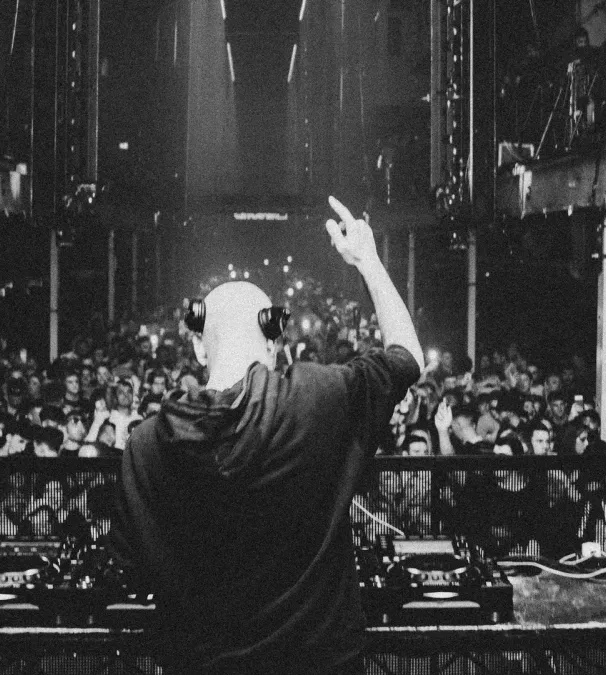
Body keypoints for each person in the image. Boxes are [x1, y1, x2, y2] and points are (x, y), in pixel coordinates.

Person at [112, 196, 422, 675]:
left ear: (198, 346)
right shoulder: (320, 398)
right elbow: (407, 357)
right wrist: (368, 261)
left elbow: (132, 566)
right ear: (274, 341)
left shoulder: (144, 446)